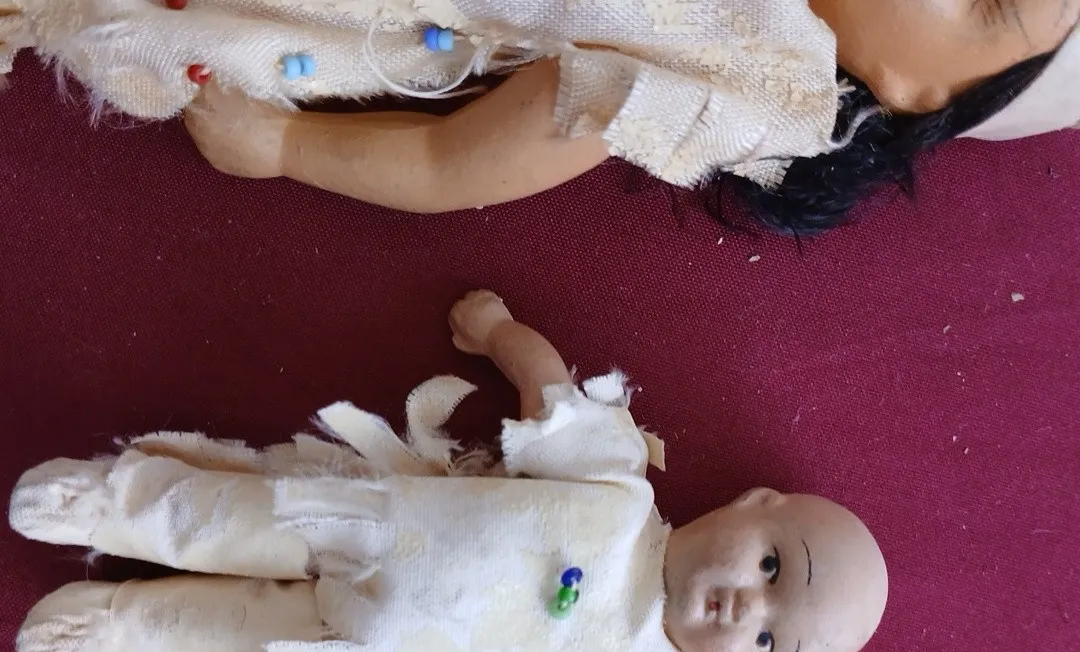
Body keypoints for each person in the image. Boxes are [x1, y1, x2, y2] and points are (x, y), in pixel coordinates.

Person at [8, 290, 887, 652]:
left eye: (767, 639)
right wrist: (499, 333)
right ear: (750, 504)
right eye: (773, 565)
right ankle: (112, 506)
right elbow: (551, 395)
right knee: (239, 516)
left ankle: (121, 621)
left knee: (237, 632)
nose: (745, 606)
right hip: (372, 522)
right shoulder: (621, 489)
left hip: (373, 648)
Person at [2, 0, 1076, 232]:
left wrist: (287, 146)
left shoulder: (754, 76)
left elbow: (465, 161)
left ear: (915, 95)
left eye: (986, 2)